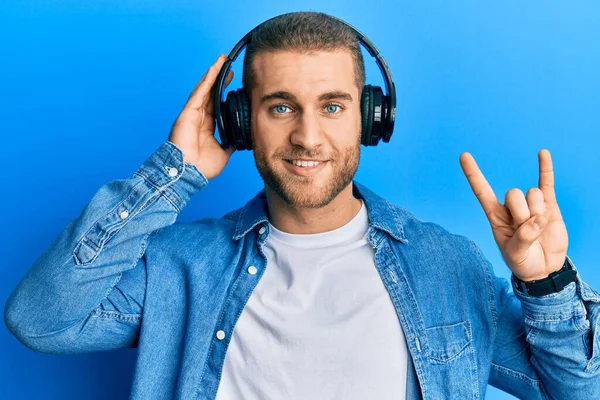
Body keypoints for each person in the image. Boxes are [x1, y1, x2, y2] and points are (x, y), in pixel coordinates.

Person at [4, 11, 600, 400]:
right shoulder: (178, 267)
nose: (308, 137)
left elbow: (577, 389)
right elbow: (40, 321)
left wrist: (546, 283)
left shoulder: (447, 264)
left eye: (334, 106)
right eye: (281, 107)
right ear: (239, 123)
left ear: (372, 118)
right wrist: (174, 172)